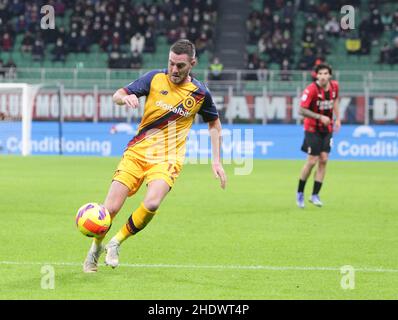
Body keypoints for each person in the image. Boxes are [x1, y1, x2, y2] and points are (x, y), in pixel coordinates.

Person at [83, 39, 227, 273]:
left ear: (193, 63)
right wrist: (124, 98)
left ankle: (116, 242)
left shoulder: (200, 94)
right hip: (137, 152)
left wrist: (216, 160)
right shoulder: (154, 78)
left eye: (180, 66)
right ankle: (94, 250)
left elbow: (214, 124)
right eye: (171, 63)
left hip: (167, 159)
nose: (174, 70)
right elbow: (117, 94)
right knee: (109, 209)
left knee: (152, 202)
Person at [296, 63, 341, 208]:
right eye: (320, 74)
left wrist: (338, 118)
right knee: (311, 161)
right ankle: (300, 193)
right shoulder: (311, 90)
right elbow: (301, 110)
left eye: (325, 73)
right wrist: (319, 117)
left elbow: (335, 101)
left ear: (330, 75)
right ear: (316, 75)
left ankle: (315, 195)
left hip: (327, 129)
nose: (322, 76)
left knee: (324, 159)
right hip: (312, 128)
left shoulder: (334, 86)